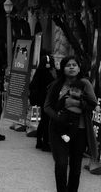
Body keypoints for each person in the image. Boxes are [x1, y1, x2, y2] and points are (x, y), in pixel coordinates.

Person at [44, 56, 98, 192]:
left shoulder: (85, 84)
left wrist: (77, 103)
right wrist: (58, 118)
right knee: (61, 164)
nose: (72, 67)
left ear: (79, 68)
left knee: (75, 168)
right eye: (68, 65)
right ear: (63, 68)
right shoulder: (56, 85)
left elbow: (93, 104)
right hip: (58, 130)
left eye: (74, 65)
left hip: (79, 131)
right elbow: (47, 106)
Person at [29, 54, 56, 151]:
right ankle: (45, 143)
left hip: (40, 100)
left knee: (42, 121)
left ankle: (39, 142)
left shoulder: (39, 72)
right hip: (48, 101)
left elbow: (32, 85)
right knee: (46, 122)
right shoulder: (50, 74)